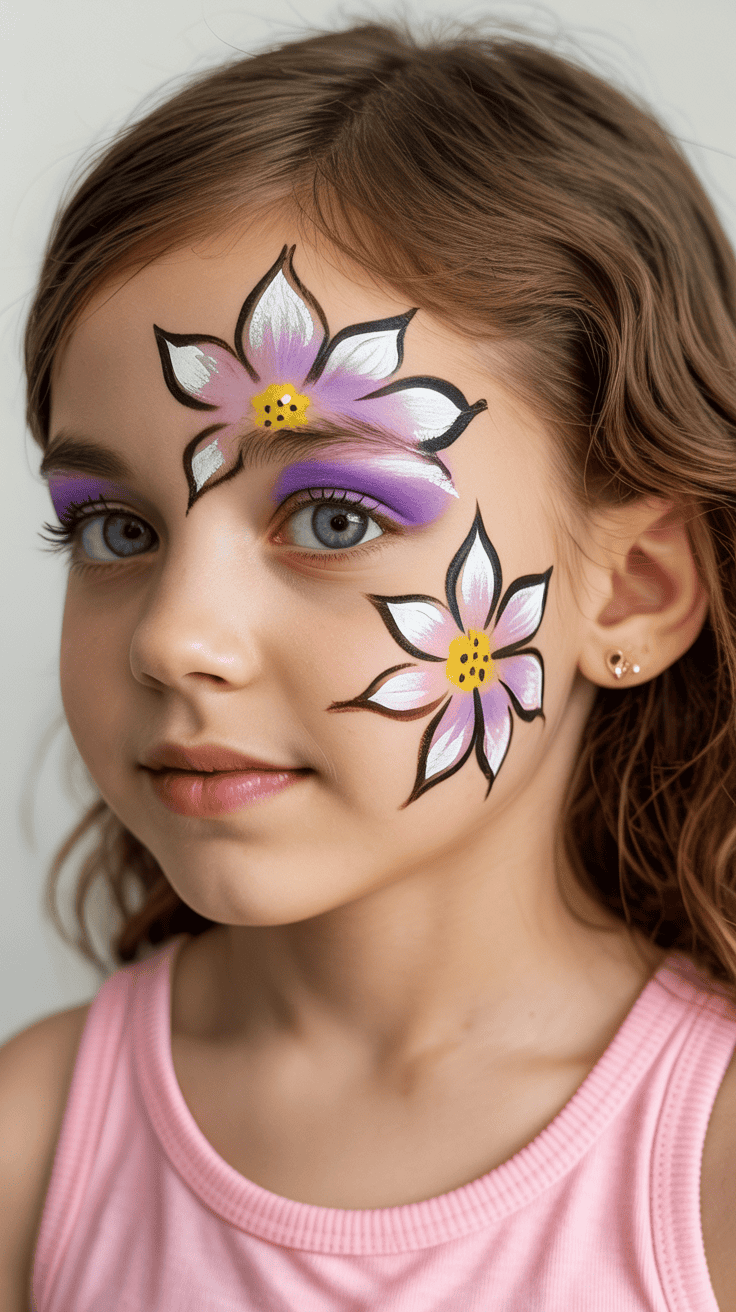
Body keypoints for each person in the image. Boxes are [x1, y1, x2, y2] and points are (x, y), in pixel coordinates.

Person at [2, 18, 736, 1311]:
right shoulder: (33, 1147)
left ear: (633, 589)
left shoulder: (712, 1171)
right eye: (117, 531)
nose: (177, 635)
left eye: (336, 518)